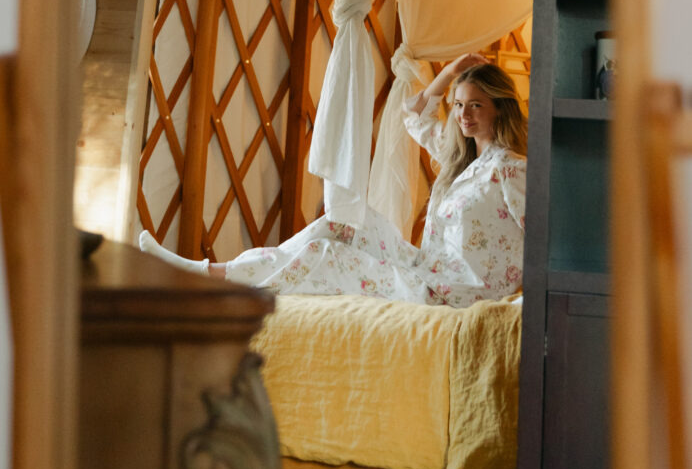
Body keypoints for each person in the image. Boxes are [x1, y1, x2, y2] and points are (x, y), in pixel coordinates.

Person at [139, 54, 527, 309]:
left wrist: (518, 303)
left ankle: (210, 280)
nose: (463, 115)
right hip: (427, 270)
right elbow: (415, 116)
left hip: (453, 294)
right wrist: (448, 72)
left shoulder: (511, 169)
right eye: (459, 105)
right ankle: (213, 270)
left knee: (325, 256)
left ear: (499, 106)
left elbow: (545, 239)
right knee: (341, 219)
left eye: (476, 104)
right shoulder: (462, 160)